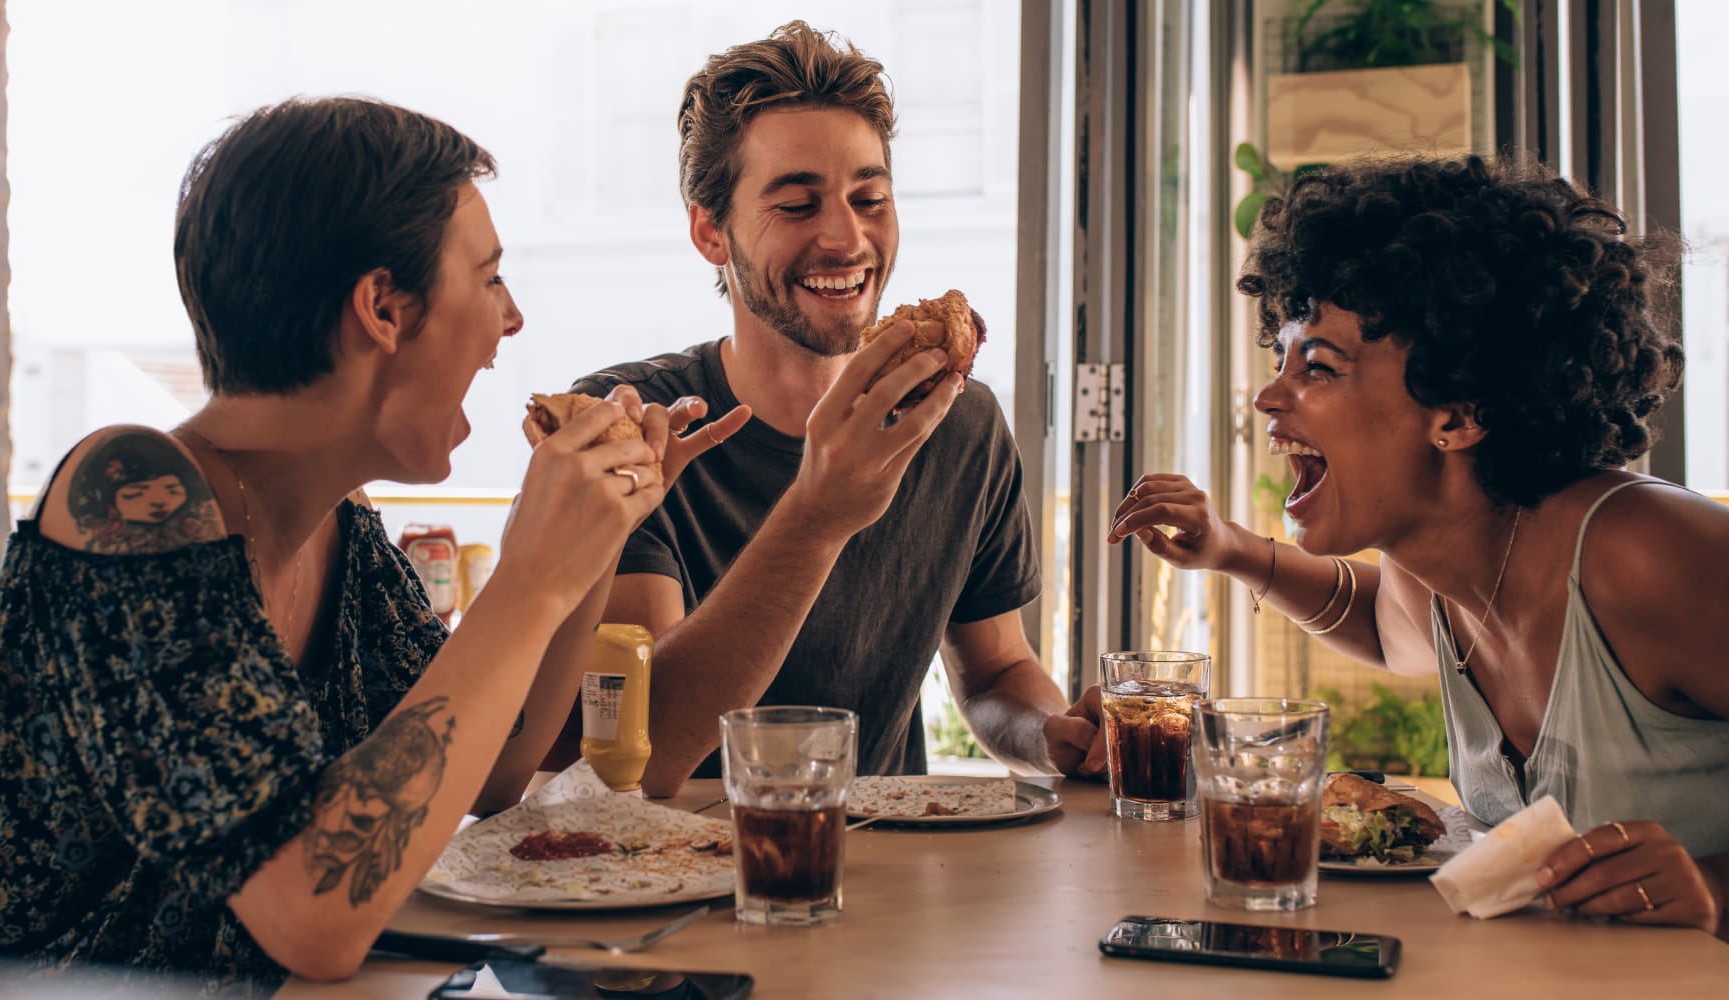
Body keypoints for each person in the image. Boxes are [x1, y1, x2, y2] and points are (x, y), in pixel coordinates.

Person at [0, 97, 729, 995]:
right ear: (381, 307)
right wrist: (528, 577)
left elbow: (493, 771)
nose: (513, 319)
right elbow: (314, 914)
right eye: (489, 279)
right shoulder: (130, 501)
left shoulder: (338, 527)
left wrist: (599, 534)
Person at [1108, 155, 1727, 939]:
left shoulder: (1651, 555)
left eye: (1319, 367)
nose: (1269, 396)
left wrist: (1715, 887)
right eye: (1280, 360)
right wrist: (1233, 550)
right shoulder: (1436, 570)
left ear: (1461, 413)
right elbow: (1380, 625)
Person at [569, 21, 1104, 796]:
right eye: (796, 205)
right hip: (669, 877)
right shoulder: (629, 427)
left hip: (881, 877)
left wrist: (1052, 734)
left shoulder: (960, 422)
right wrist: (819, 512)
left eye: (870, 198)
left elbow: (997, 672)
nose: (847, 238)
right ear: (710, 231)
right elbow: (638, 752)